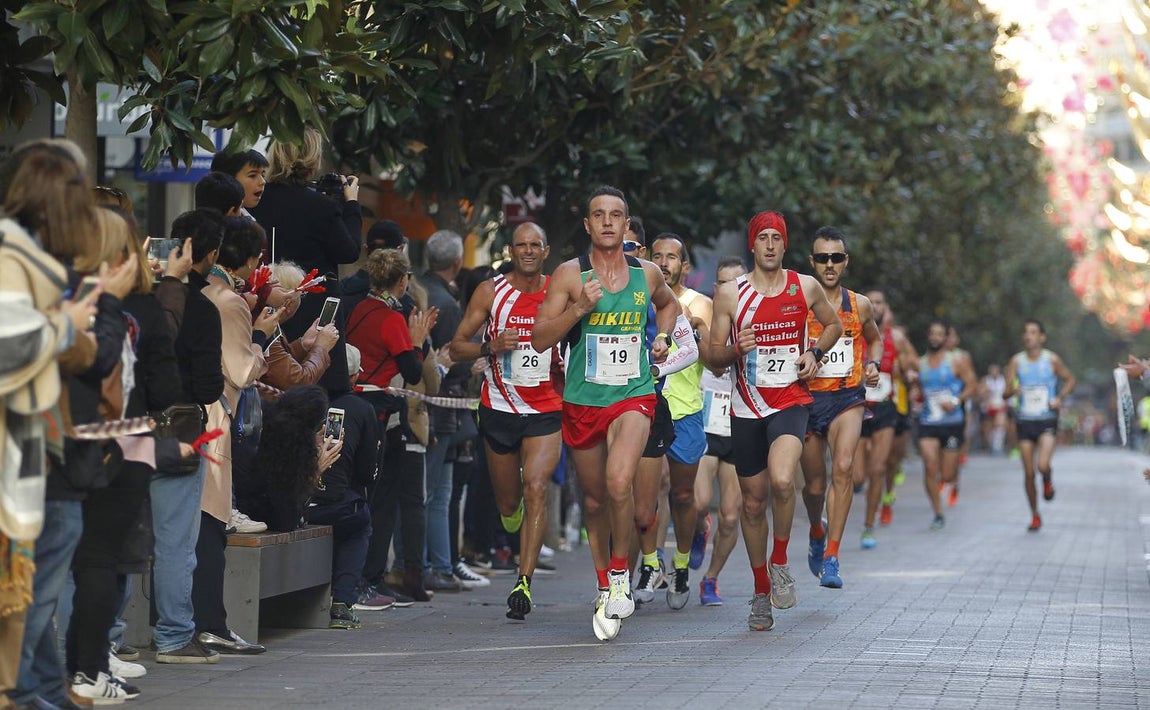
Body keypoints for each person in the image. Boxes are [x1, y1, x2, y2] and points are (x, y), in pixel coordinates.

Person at [532, 186, 679, 640]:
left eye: (617, 215)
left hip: (634, 393)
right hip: (583, 399)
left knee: (621, 483)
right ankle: (604, 584)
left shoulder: (648, 273)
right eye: (600, 215)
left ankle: (620, 574)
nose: (609, 222)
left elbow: (669, 305)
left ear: (626, 222)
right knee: (594, 499)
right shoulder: (568, 275)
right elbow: (539, 339)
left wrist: (663, 337)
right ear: (588, 225)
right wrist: (578, 308)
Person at [707, 210, 841, 632]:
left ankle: (780, 560)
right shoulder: (731, 294)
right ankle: (761, 589)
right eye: (762, 237)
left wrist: (814, 354)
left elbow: (833, 325)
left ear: (785, 245)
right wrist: (733, 350)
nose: (768, 244)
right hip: (745, 407)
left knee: (784, 480)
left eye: (775, 238)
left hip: (790, 400)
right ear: (753, 244)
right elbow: (711, 359)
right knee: (752, 502)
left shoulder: (805, 286)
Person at [0, 141, 99, 709]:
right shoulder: (14, 254)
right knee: (25, 588)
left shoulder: (23, 251)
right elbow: (13, 345)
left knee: (29, 584)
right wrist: (65, 324)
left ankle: (32, 691)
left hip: (29, 440)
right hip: (16, 442)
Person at [450, 222, 563, 619]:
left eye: (536, 245)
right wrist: (490, 345)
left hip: (547, 409)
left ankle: (523, 581)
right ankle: (512, 520)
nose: (529, 251)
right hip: (499, 408)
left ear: (546, 251)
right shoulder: (490, 291)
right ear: (511, 252)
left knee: (536, 486)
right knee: (509, 502)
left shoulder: (560, 291)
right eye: (521, 246)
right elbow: (456, 346)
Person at [194, 217, 276, 656]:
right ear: (249, 259)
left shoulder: (201, 291)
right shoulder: (231, 301)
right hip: (215, 417)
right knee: (211, 524)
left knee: (189, 525)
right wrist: (262, 336)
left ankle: (190, 622)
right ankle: (210, 623)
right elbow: (243, 370)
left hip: (192, 416)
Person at [345, 249, 438, 602]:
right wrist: (417, 343)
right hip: (383, 416)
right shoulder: (390, 318)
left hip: (356, 406)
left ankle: (359, 576)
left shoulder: (358, 310)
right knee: (383, 499)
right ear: (402, 281)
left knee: (361, 493)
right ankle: (370, 578)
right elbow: (412, 372)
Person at [797, 227, 882, 589]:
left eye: (836, 258)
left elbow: (874, 341)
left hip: (848, 396)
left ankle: (832, 555)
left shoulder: (859, 304)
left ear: (845, 262)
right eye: (822, 258)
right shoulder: (799, 303)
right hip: (807, 398)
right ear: (812, 261)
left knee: (844, 468)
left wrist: (874, 366)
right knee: (814, 485)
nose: (829, 265)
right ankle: (818, 529)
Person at [249, 127, 361, 397]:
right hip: (314, 309)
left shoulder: (257, 202)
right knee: (318, 392)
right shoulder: (320, 206)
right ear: (312, 160)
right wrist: (352, 205)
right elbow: (349, 251)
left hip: (264, 307)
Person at [643, 233, 709, 609]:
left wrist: (705, 332)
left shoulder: (696, 306)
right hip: (645, 408)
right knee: (649, 493)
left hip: (685, 409)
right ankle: (650, 563)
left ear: (683, 265)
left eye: (672, 257)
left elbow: (711, 355)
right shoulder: (636, 299)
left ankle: (681, 562)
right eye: (658, 256)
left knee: (684, 496)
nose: (664, 263)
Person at [692, 257, 746, 606]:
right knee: (698, 503)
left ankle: (711, 579)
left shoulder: (761, 327)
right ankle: (697, 529)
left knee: (731, 515)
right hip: (706, 425)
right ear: (716, 289)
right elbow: (710, 359)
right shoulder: (700, 322)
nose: (733, 291)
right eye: (726, 284)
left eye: (739, 284)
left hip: (741, 427)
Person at [857, 289, 918, 549]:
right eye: (871, 303)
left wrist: (906, 372)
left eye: (880, 302)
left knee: (878, 469)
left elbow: (914, 366)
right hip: (856, 407)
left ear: (886, 308)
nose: (876, 307)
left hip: (885, 408)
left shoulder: (897, 338)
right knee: (857, 475)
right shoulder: (853, 333)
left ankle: (869, 527)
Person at [1002, 320, 1076, 531]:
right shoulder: (1016, 361)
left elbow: (1071, 380)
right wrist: (1013, 391)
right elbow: (1005, 392)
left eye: (1033, 333)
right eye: (1026, 333)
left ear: (1042, 337)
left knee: (1042, 465)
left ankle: (1047, 479)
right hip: (1025, 420)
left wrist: (1059, 397)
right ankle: (1034, 514)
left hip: (1046, 418)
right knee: (1028, 473)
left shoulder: (1051, 359)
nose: (1028, 336)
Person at [917, 318, 977, 531]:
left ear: (946, 338)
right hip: (928, 422)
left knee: (948, 474)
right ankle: (938, 513)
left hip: (952, 423)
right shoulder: (920, 363)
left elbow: (972, 386)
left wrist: (955, 401)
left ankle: (951, 482)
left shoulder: (957, 361)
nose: (935, 337)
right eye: (932, 333)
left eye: (939, 334)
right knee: (930, 466)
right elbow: (915, 387)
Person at [209, 149, 269, 219]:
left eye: (263, 175)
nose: (263, 181)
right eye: (252, 175)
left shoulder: (247, 218)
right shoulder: (212, 224)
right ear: (228, 179)